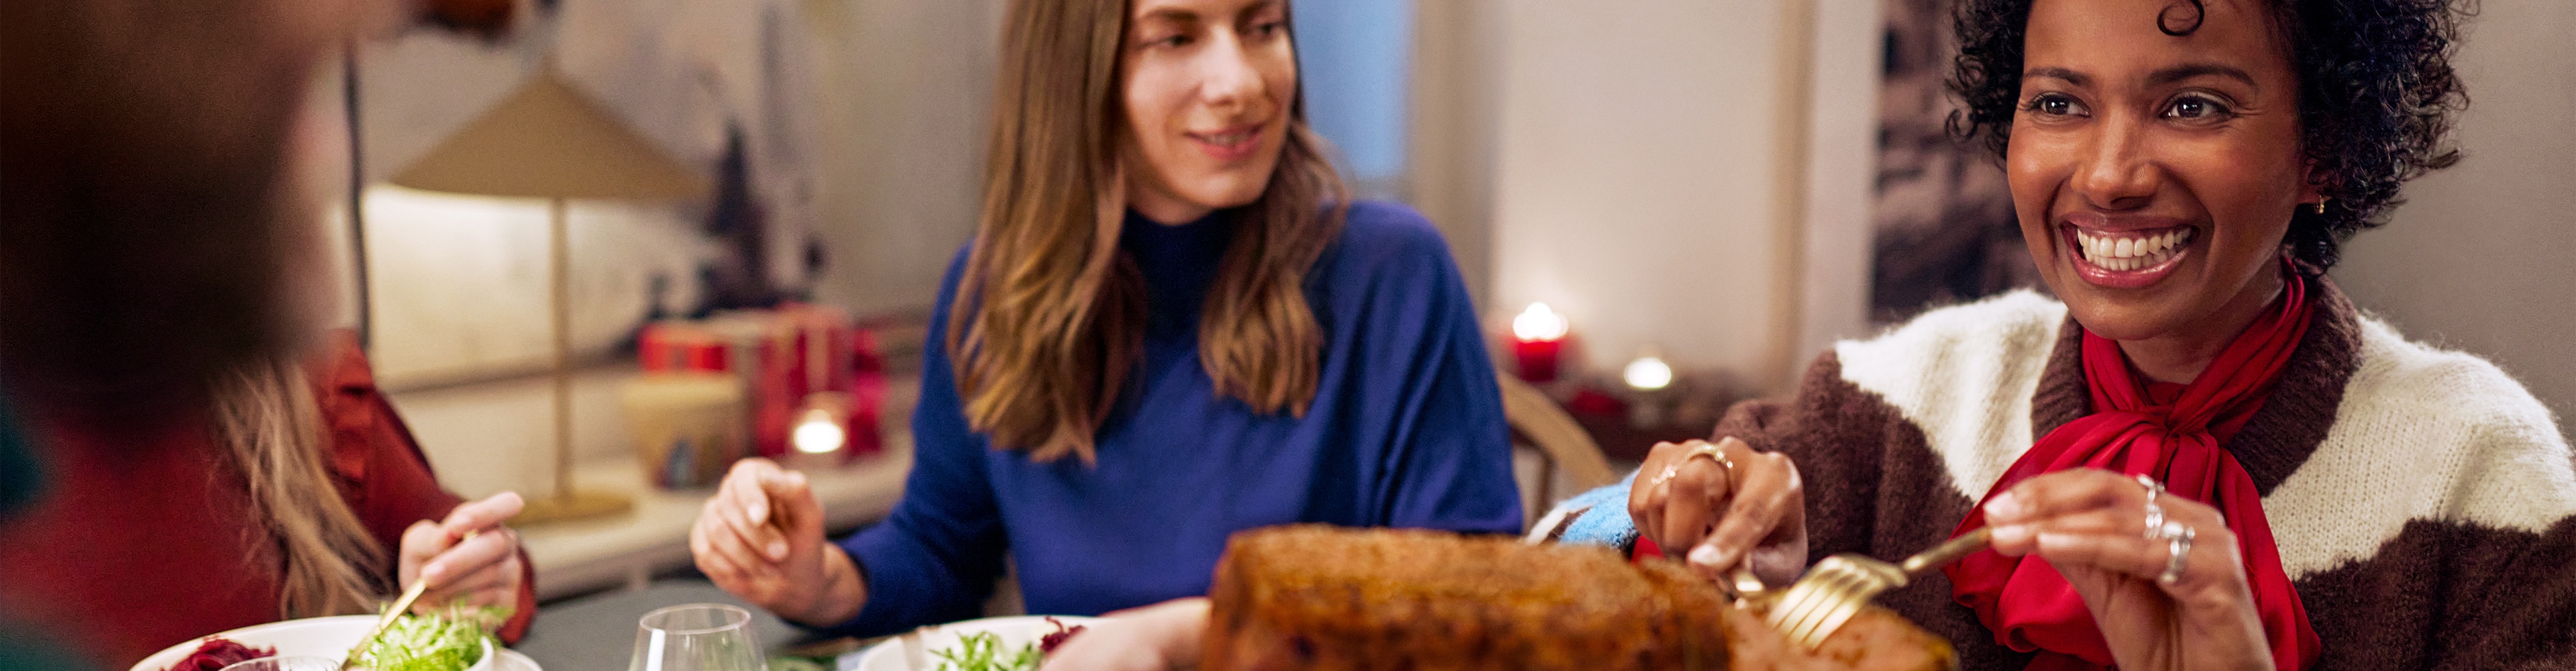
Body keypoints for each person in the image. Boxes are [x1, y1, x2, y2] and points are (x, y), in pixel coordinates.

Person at [1568, 0, 2576, 669]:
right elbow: (1556, 576)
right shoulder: (1892, 401)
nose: (2107, 175)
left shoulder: (2481, 479)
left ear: (2327, 150)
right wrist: (1675, 531)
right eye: (2059, 103)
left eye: (2191, 104)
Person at [689, 0, 1521, 651]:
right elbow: (944, 547)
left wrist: (1185, 637)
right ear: (1073, 72)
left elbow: (1467, 594)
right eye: (1175, 36)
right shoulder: (991, 293)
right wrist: (823, 579)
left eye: (1262, 25)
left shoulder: (1392, 272)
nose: (1242, 81)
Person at [0, 0, 535, 664]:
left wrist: (466, 578)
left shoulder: (313, 390)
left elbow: (492, 579)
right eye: (278, 98)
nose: (325, 149)